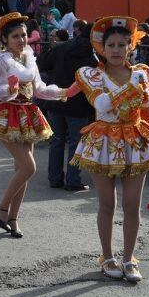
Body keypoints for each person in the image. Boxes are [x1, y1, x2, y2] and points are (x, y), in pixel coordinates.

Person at [70, 16, 149, 281]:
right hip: (103, 141)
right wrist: (127, 96)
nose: (115, 50)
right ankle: (108, 256)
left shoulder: (141, 73)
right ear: (102, 48)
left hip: (136, 141)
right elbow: (102, 106)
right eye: (110, 44)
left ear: (130, 47)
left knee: (132, 204)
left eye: (121, 44)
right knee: (106, 204)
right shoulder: (91, 75)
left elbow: (146, 111)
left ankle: (128, 258)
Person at [0, 12, 80, 237]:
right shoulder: (0, 60)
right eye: (16, 36)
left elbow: (40, 89)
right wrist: (10, 90)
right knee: (29, 167)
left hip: (29, 114)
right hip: (9, 113)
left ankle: (14, 219)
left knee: (22, 171)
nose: (22, 40)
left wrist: (66, 91)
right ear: (5, 39)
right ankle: (2, 208)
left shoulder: (28, 57)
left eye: (24, 35)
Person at [38, 19, 97, 191]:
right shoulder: (94, 58)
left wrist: (56, 75)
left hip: (56, 99)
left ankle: (54, 178)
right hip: (79, 105)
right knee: (75, 142)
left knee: (56, 141)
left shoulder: (62, 48)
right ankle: (73, 180)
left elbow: (43, 63)